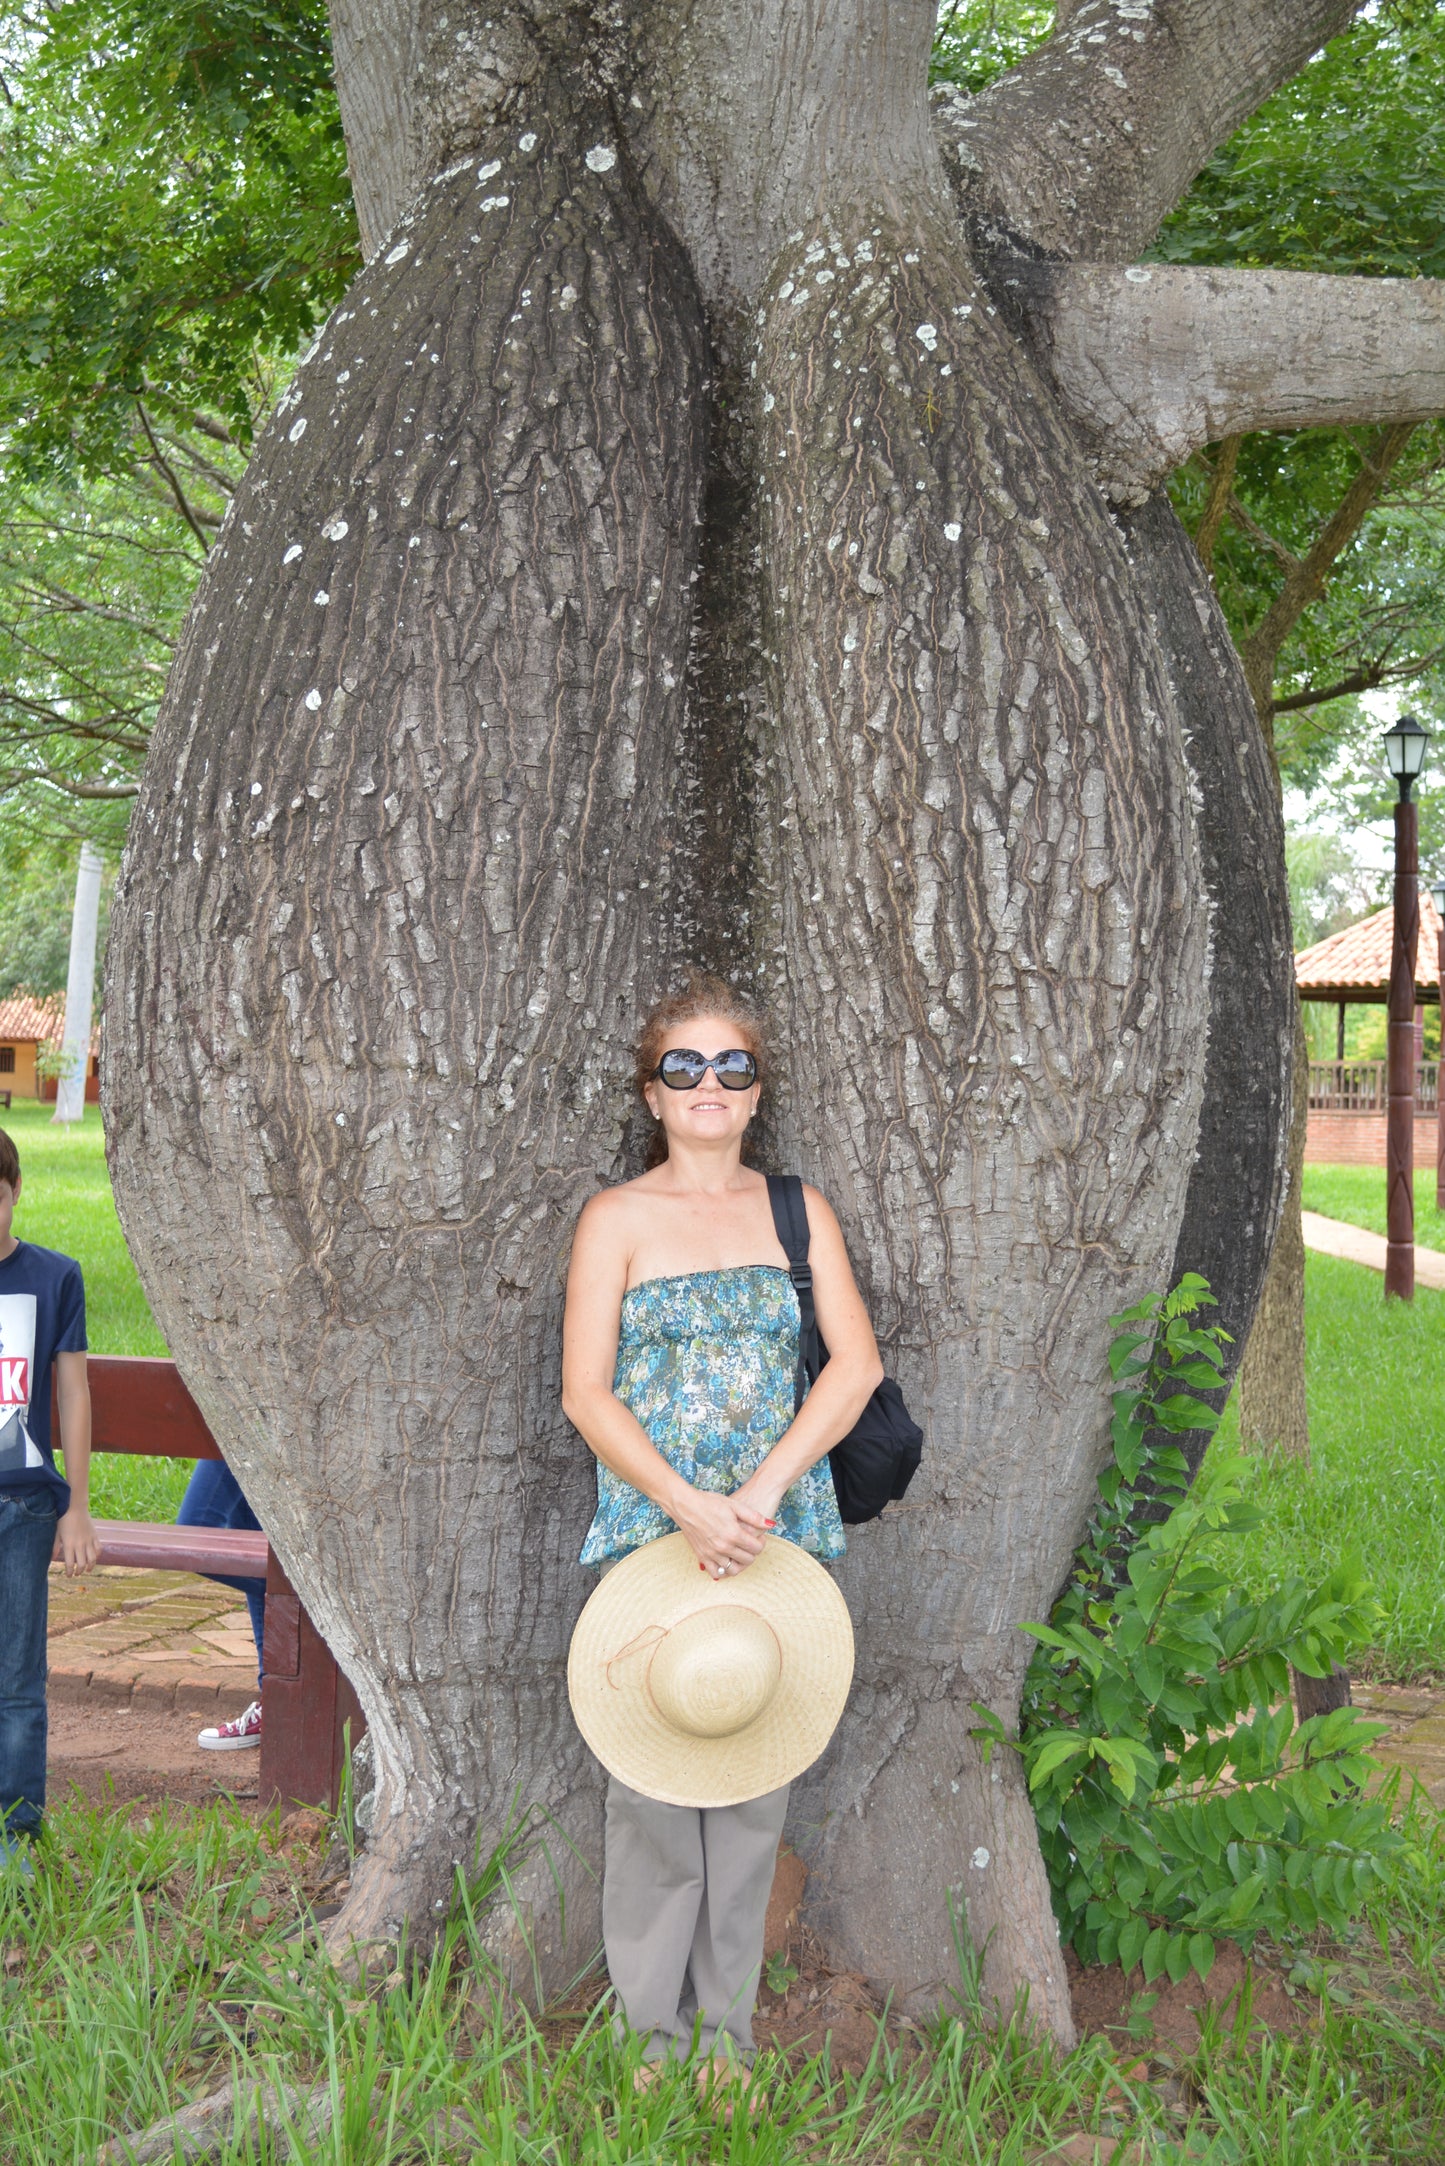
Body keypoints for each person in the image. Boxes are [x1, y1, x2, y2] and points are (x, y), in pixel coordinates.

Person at [561, 975, 883, 2093]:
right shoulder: (614, 1219)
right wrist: (690, 1506)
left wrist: (757, 1493)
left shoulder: (795, 1212)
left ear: (755, 1092)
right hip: (650, 1535)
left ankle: (722, 2041)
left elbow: (855, 1366)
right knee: (650, 1798)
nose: (709, 1085)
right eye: (684, 1067)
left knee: (750, 1791)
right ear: (652, 1093)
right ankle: (651, 2040)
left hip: (774, 1534)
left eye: (731, 1066)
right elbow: (584, 1394)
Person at [0, 1124, 99, 1867]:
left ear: (17, 1191)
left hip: (25, 1508)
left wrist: (79, 1507)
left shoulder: (54, 1277)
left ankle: (18, 1835)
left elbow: (72, 1389)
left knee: (18, 1681)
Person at [177, 1457, 266, 1751]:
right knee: (251, 1532)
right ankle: (277, 1699)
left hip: (247, 1420)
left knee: (195, 1535)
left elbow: (193, 1534)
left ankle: (278, 1699)